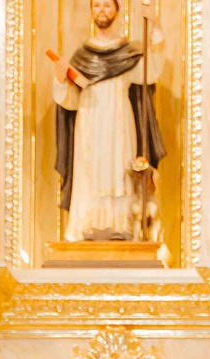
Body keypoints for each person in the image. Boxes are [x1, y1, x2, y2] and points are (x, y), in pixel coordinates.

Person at [54, 0, 165, 245]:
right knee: (91, 172)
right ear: (91, 11)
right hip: (89, 121)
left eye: (107, 5)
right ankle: (88, 226)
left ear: (117, 10)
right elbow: (70, 102)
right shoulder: (82, 56)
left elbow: (152, 71)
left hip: (119, 121)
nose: (102, 11)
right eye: (97, 6)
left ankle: (120, 225)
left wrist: (155, 28)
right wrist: (62, 81)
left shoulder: (126, 53)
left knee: (118, 170)